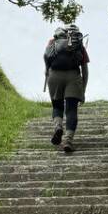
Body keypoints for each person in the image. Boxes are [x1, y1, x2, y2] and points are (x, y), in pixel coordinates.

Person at [43, 24, 89, 153]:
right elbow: (85, 70)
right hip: (73, 76)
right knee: (71, 109)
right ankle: (67, 140)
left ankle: (58, 127)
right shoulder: (79, 45)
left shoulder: (53, 42)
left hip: (54, 75)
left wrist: (48, 77)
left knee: (57, 106)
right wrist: (83, 91)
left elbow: (47, 60)